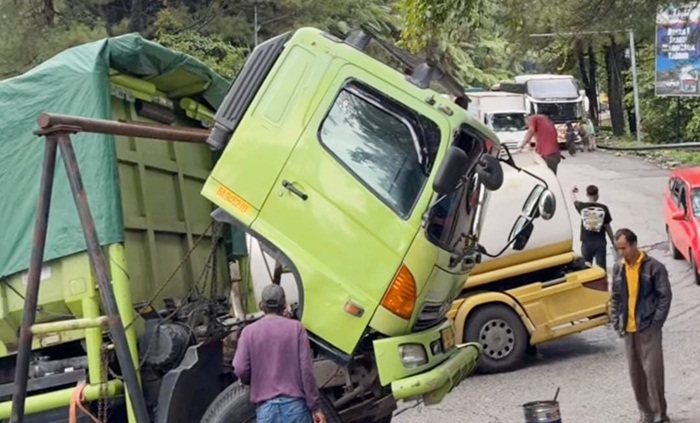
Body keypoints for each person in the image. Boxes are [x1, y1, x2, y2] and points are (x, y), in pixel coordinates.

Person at [233, 284, 327, 423]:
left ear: (261, 305)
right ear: (284, 305)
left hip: (266, 411)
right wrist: (315, 407)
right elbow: (306, 370)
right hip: (296, 409)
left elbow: (240, 368)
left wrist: (250, 381)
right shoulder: (296, 328)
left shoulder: (249, 332)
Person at [611, 229, 672, 423]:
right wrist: (615, 320)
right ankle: (645, 414)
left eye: (624, 248)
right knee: (636, 376)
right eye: (618, 248)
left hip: (648, 328)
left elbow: (665, 297)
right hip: (628, 330)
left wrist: (656, 323)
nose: (621, 252)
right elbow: (615, 297)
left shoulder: (654, 268)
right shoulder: (618, 268)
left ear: (634, 244)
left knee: (653, 374)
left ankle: (660, 414)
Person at [571, 185, 615, 271]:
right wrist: (613, 241)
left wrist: (572, 192)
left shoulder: (582, 207)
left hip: (586, 243)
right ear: (597, 195)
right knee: (601, 269)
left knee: (586, 269)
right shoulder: (603, 208)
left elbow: (574, 200)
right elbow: (607, 227)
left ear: (587, 194)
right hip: (600, 243)